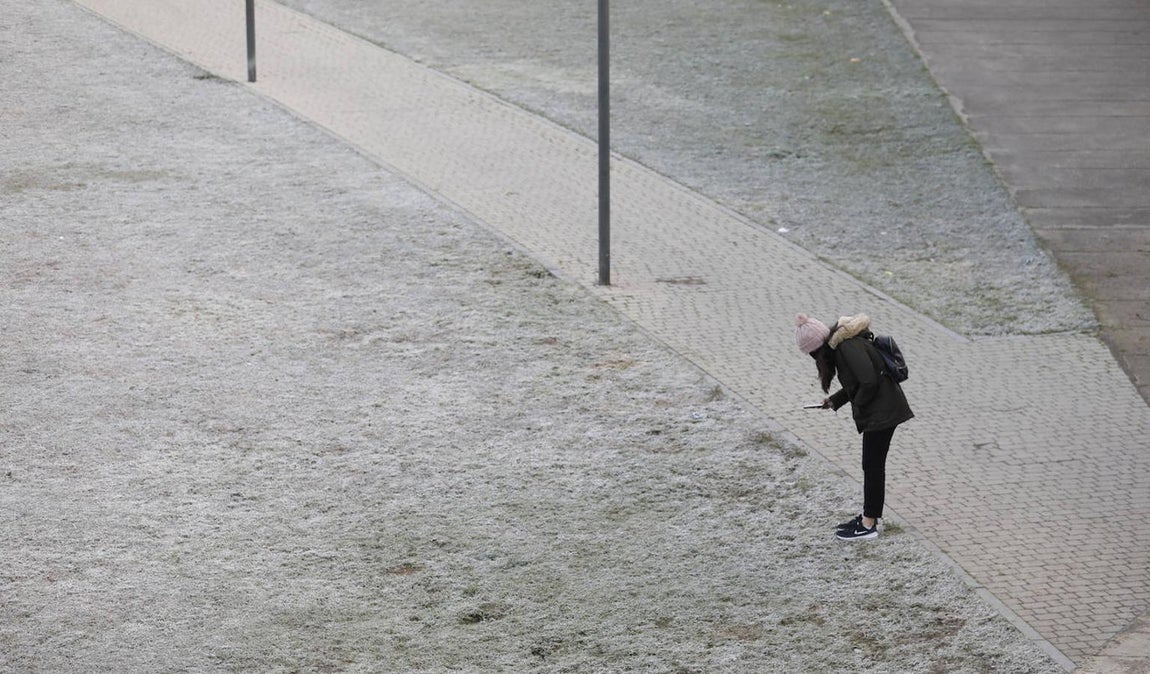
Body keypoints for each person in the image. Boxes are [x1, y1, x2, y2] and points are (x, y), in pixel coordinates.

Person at [795, 313, 914, 540]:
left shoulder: (846, 348)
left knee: (872, 466)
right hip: (882, 409)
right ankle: (869, 517)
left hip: (883, 411)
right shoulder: (843, 345)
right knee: (872, 465)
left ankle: (869, 524)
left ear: (815, 348)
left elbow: (868, 381)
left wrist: (858, 404)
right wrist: (835, 401)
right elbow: (861, 381)